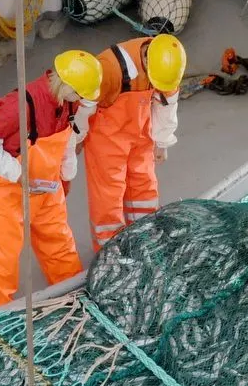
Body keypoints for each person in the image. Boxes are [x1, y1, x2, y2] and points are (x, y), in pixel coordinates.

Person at [0, 49, 103, 310]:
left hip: (46, 184)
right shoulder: (18, 106)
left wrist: (67, 175)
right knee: (5, 255)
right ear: (66, 84)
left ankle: (72, 290)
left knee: (58, 239)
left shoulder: (68, 101)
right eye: (80, 94)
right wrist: (18, 175)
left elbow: (67, 139)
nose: (82, 101)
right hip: (8, 189)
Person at [80, 34, 187, 251]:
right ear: (146, 61)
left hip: (140, 132)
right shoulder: (109, 69)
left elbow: (167, 103)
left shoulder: (168, 65)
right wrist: (76, 137)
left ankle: (145, 237)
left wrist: (162, 142)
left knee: (143, 183)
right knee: (108, 194)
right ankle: (109, 250)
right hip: (106, 139)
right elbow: (84, 105)